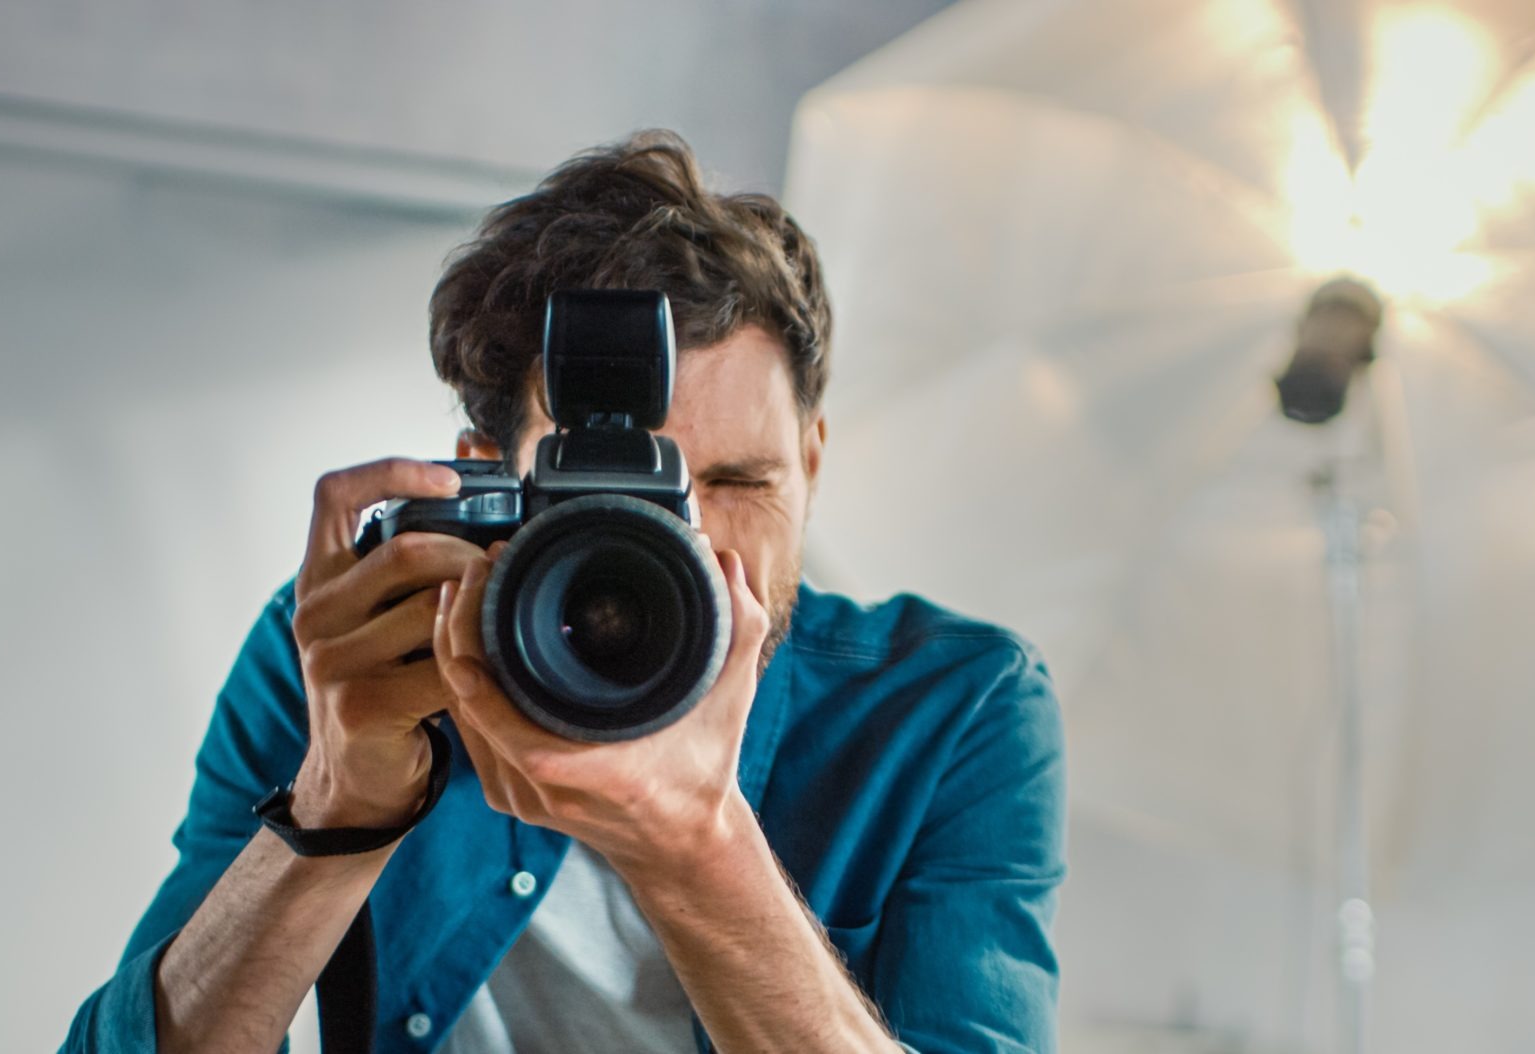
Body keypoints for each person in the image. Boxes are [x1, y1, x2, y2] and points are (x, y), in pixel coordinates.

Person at [60, 130, 1064, 1054]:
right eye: (618, 495)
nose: (687, 545)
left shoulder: (956, 709)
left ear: (811, 463)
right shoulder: (354, 649)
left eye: (740, 483)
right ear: (482, 477)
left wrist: (697, 848)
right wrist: (337, 807)